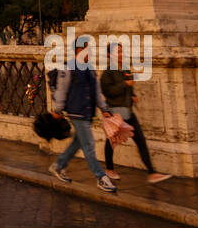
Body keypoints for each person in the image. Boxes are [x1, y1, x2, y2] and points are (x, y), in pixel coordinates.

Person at [49, 35, 118, 193]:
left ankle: (58, 165)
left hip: (86, 112)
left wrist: (104, 109)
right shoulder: (68, 68)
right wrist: (57, 110)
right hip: (76, 112)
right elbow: (61, 90)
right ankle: (101, 177)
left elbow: (96, 91)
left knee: (78, 143)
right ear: (80, 50)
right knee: (89, 145)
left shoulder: (89, 68)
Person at [101, 44, 171, 185]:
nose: (120, 54)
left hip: (128, 112)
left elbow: (129, 86)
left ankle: (151, 172)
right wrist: (125, 85)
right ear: (109, 55)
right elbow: (107, 91)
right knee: (112, 141)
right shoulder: (107, 73)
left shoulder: (126, 69)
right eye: (117, 52)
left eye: (121, 51)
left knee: (140, 141)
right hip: (116, 113)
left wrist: (132, 95)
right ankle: (109, 169)